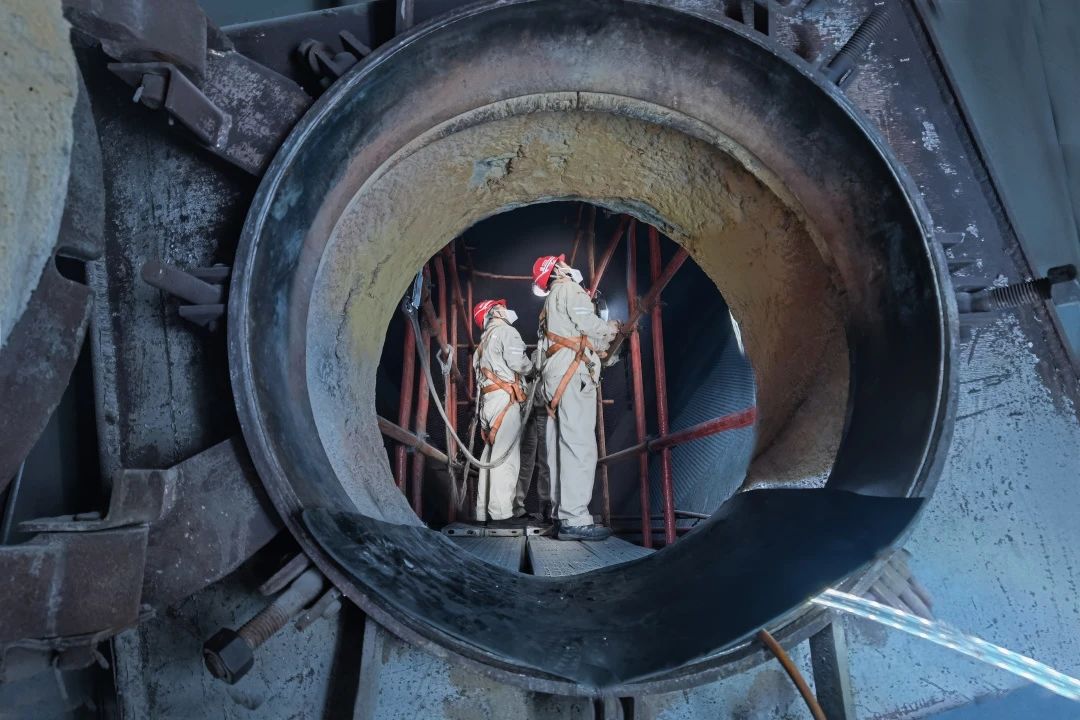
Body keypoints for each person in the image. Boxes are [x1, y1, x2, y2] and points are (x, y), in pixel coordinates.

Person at [532, 254, 620, 541]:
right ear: (558, 269)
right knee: (579, 444)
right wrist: (610, 330)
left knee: (558, 448)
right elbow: (588, 323)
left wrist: (596, 346)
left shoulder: (549, 305)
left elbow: (570, 334)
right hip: (572, 375)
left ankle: (561, 515)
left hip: (555, 378)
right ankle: (574, 519)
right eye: (563, 263)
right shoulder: (568, 289)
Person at [471, 299, 533, 525]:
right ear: (494, 312)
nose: (506, 309)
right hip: (504, 400)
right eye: (501, 307)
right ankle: (501, 514)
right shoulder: (506, 332)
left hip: (489, 403)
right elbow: (519, 363)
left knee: (489, 457)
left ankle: (482, 512)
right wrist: (534, 368)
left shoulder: (482, 343)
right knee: (506, 458)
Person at [512, 353, 552, 523]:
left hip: (545, 411)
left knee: (546, 461)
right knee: (523, 461)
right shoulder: (538, 352)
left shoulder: (554, 351)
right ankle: (516, 506)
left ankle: (547, 507)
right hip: (527, 411)